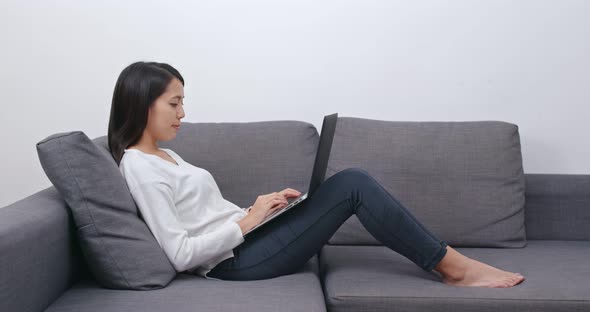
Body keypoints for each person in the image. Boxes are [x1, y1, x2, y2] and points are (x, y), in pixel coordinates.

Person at [108, 61, 525, 288]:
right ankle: (453, 267)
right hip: (232, 263)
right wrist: (247, 223)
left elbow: (204, 215)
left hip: (246, 239)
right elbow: (179, 254)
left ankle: (450, 263)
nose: (183, 114)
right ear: (144, 104)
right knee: (353, 183)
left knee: (349, 182)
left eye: (183, 103)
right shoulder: (139, 166)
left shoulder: (168, 157)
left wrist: (260, 210)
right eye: (174, 103)